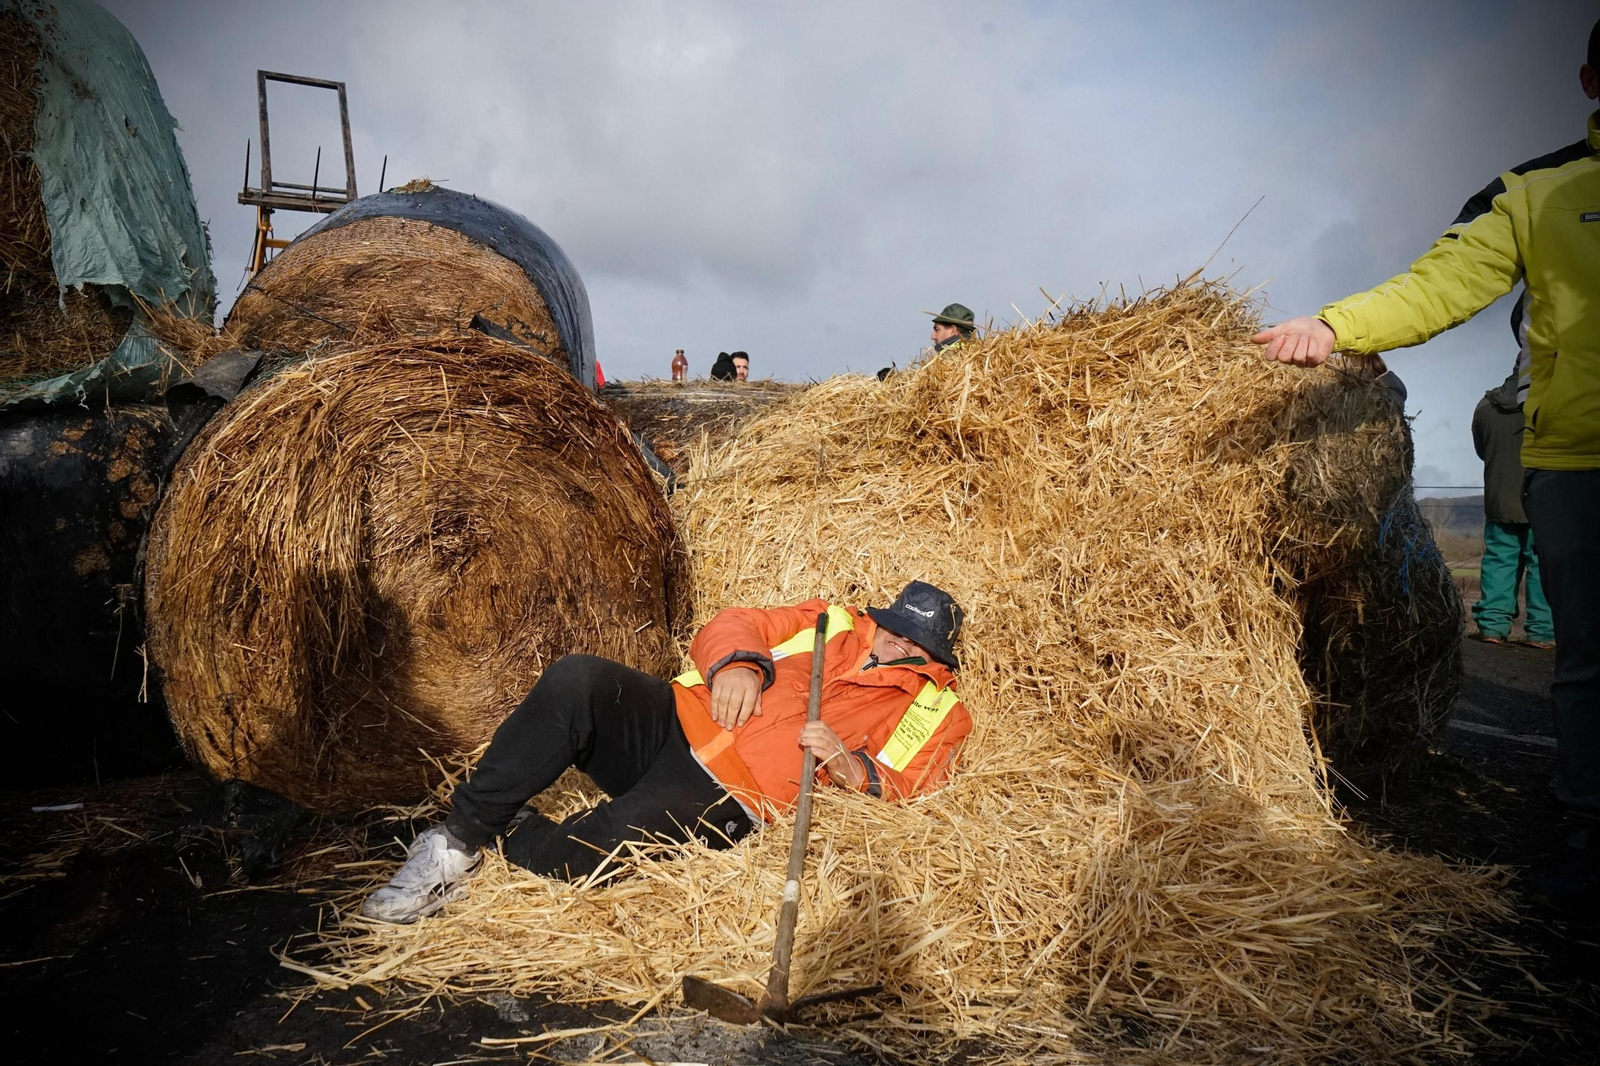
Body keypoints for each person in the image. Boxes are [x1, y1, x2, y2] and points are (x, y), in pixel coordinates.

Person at [1252, 20, 1599, 905]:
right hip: (1581, 460)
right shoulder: (1536, 193)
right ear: (1591, 80)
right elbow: (1440, 284)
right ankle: (1588, 828)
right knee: (1590, 657)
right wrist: (1336, 325)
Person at [361, 581, 971, 923]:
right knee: (579, 680)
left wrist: (848, 764)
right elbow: (736, 622)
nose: (893, 647)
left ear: (935, 658)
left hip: (733, 794)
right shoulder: (828, 622)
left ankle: (510, 829)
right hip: (677, 719)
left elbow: (915, 780)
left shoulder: (936, 710)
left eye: (912, 646)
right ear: (881, 618)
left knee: (603, 846)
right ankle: (455, 844)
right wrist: (738, 664)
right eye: (892, 630)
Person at [1471, 369, 1554, 649]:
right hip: (1542, 496)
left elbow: (1482, 450)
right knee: (1542, 564)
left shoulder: (1486, 406)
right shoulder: (1552, 400)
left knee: (1499, 561)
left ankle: (1492, 627)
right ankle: (1542, 632)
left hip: (1500, 496)